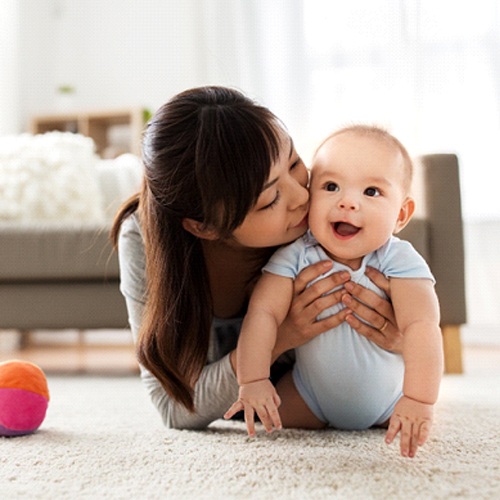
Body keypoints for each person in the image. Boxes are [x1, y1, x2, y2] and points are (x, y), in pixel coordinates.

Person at [111, 86, 403, 431]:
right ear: (203, 227)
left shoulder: (326, 223)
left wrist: (400, 338)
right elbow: (174, 406)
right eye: (269, 200)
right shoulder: (144, 240)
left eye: (294, 163)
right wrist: (279, 336)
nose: (300, 197)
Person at [225, 125, 443, 458]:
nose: (347, 203)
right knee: (261, 423)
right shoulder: (295, 255)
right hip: (310, 397)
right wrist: (253, 380)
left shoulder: (399, 260)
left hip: (389, 401)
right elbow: (263, 314)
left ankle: (407, 410)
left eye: (371, 192)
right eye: (331, 186)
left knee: (413, 421)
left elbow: (422, 327)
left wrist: (418, 399)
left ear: (401, 214)